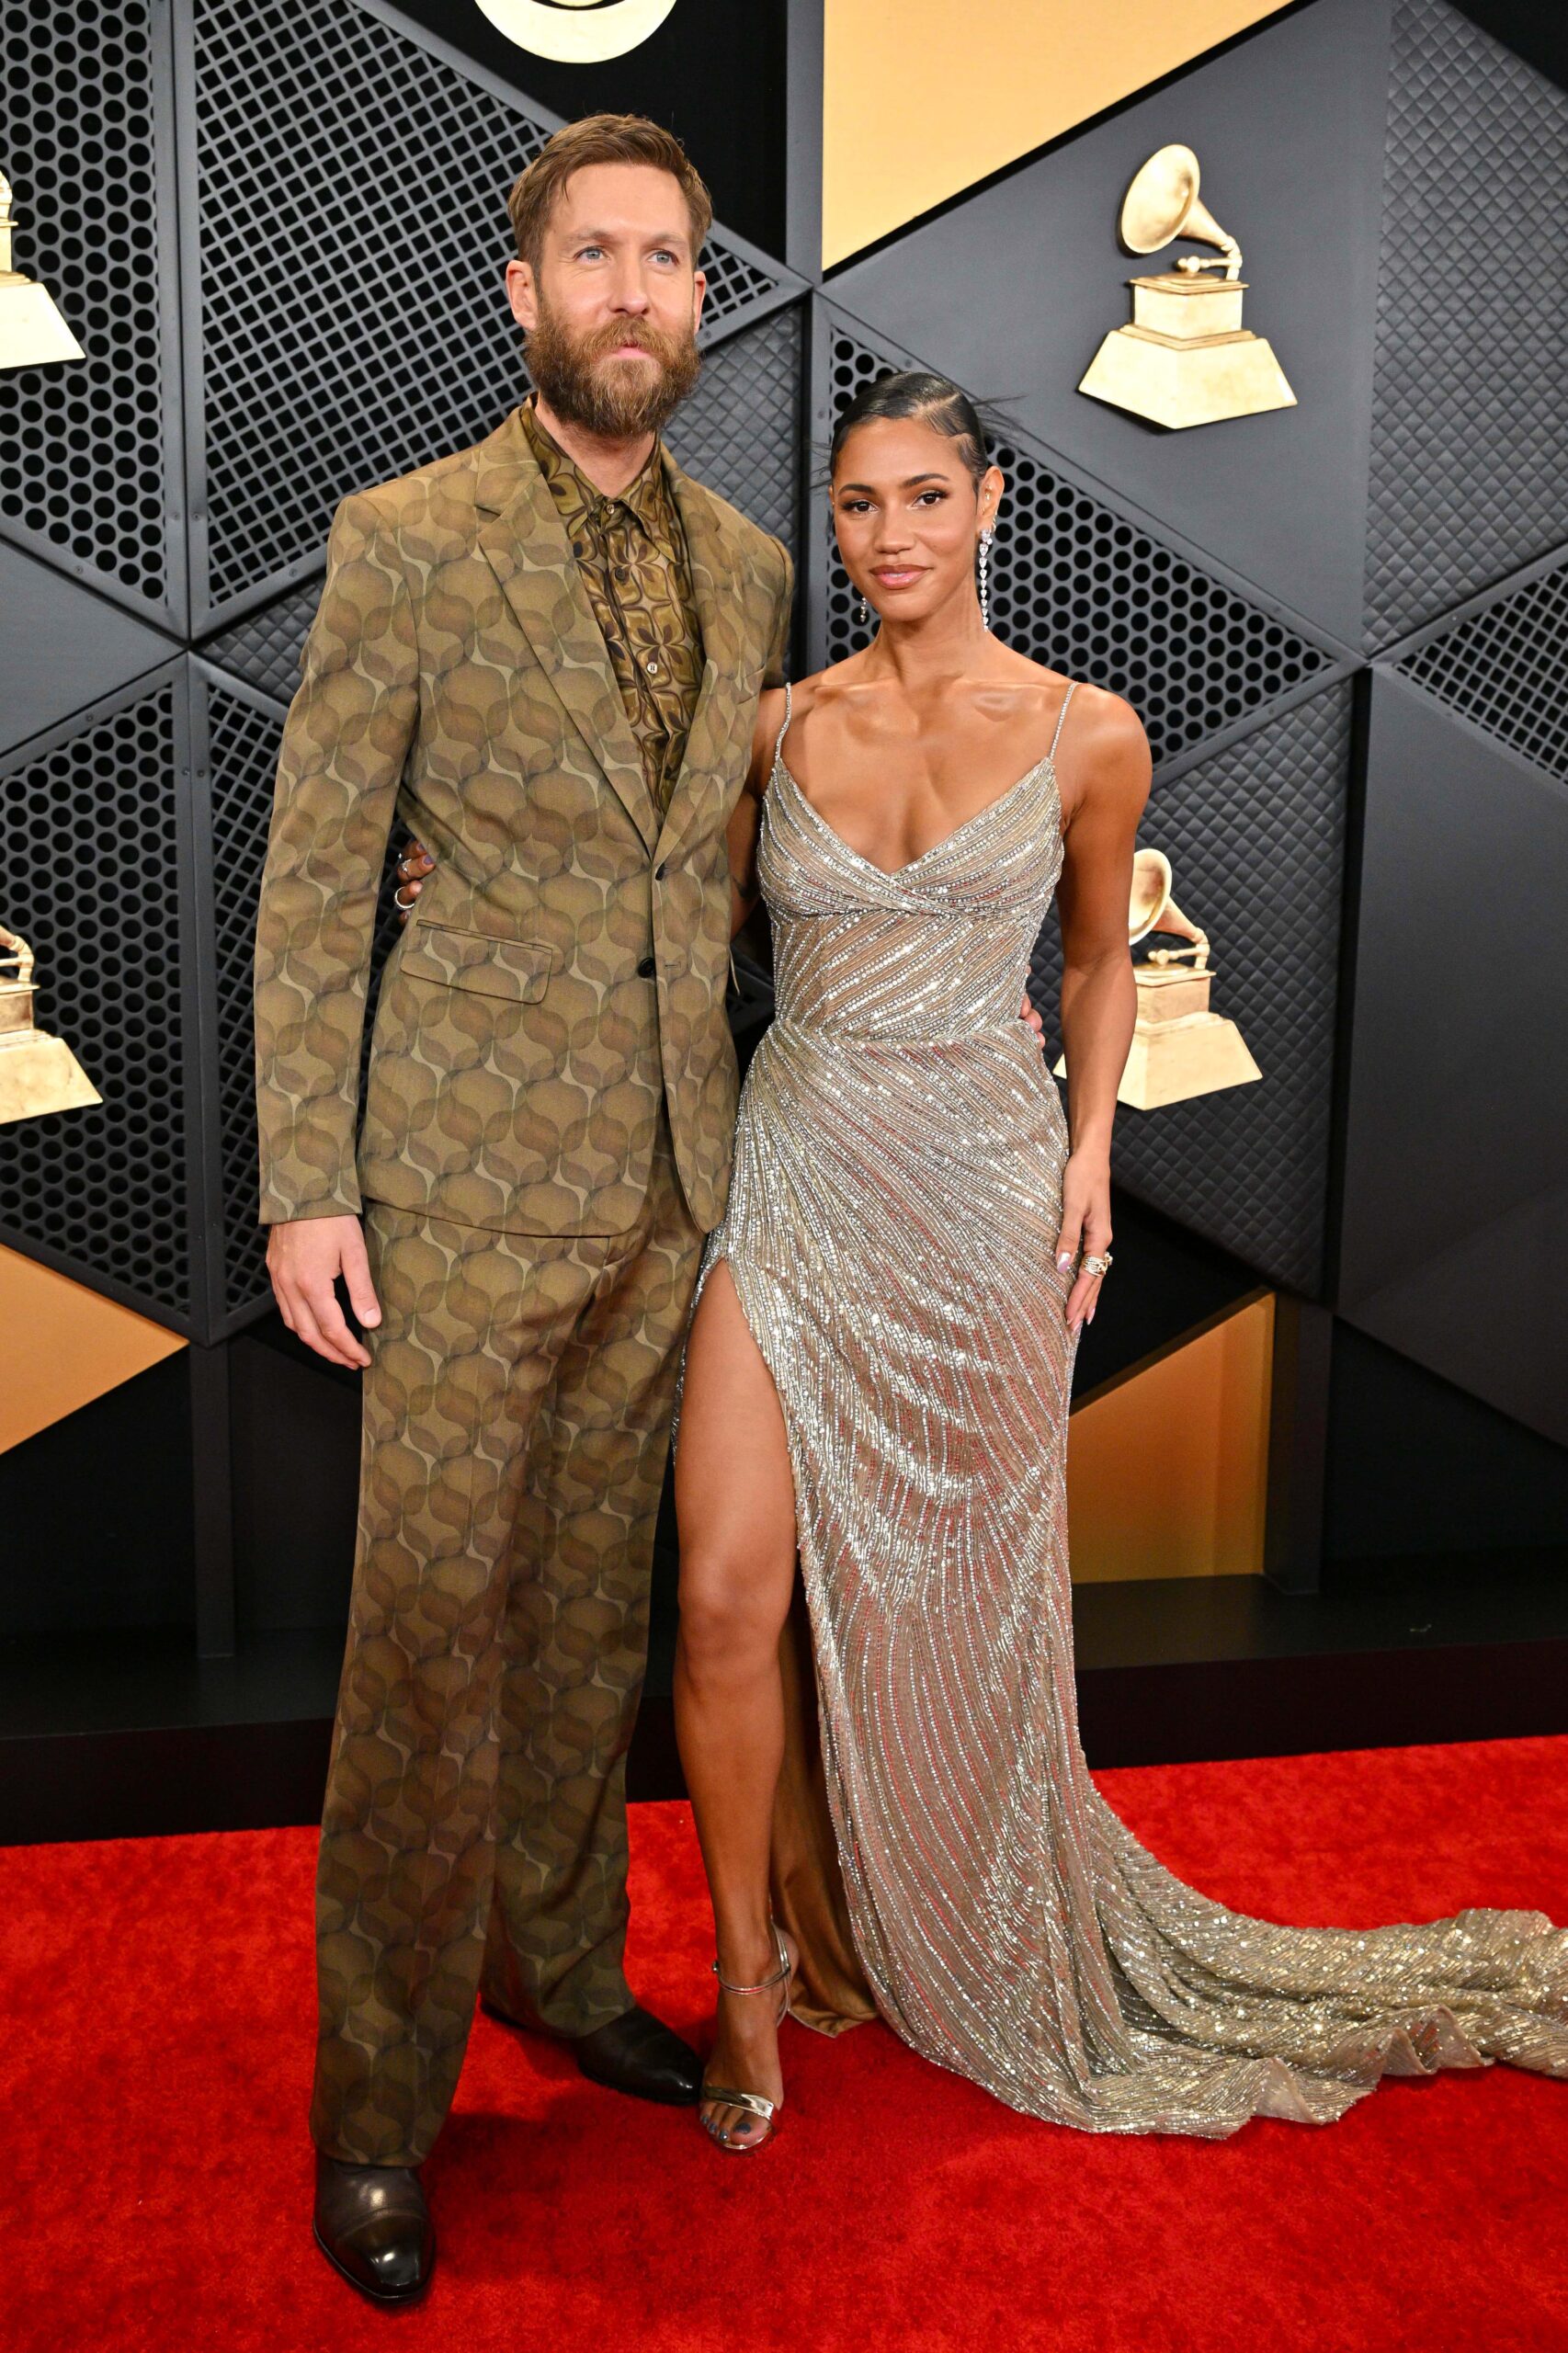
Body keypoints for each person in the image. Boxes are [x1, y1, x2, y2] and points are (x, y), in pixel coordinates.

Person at [668, 369, 1568, 2152]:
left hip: (985, 1194)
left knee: (979, 1606)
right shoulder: (770, 729)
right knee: (717, 1593)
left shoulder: (1089, 729)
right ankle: (750, 1977)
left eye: (926, 495)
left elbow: (1095, 957)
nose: (891, 535)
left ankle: (978, 1916)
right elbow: (674, 938)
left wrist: (1088, 1147)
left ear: (992, 502)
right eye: (859, 504)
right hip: (796, 1174)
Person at [254, 115, 797, 2304]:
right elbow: (313, 875)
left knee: (593, 1630)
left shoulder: (755, 561)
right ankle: (374, 2110)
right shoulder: (404, 538)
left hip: (678, 1182)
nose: (636, 292)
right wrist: (309, 1180)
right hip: (457, 1198)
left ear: (697, 296)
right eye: (597, 256)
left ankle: (562, 1972)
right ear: (524, 290)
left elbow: (728, 872)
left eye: (669, 260)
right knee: (423, 1661)